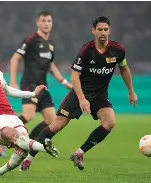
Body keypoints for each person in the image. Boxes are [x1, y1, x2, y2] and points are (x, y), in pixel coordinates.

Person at [19, 16, 138, 171]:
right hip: (79, 93)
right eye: (99, 29)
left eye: (105, 29)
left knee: (110, 122)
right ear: (93, 31)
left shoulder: (118, 50)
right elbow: (74, 76)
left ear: (110, 31)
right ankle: (29, 158)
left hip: (100, 96)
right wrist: (82, 99)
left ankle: (79, 153)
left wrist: (131, 91)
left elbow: (124, 69)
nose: (103, 33)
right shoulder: (86, 50)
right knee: (56, 125)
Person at [0, 11, 72, 159]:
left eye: (49, 21)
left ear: (52, 23)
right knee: (28, 115)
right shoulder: (31, 40)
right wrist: (12, 82)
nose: (46, 23)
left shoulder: (51, 45)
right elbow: (14, 59)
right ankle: (1, 138)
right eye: (43, 21)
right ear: (37, 22)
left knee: (51, 121)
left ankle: (27, 142)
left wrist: (63, 81)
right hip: (30, 84)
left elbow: (51, 66)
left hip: (43, 86)